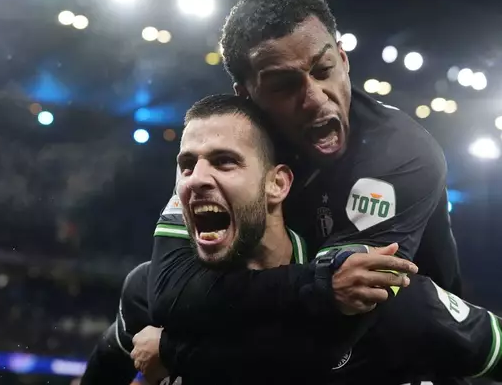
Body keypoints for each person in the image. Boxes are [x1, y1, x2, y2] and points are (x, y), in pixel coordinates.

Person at [147, 0, 462, 383]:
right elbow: (168, 291)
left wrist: (174, 351)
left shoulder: (400, 157)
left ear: (343, 60)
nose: (314, 99)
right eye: (283, 85)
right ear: (248, 95)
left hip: (395, 356)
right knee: (134, 292)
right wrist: (315, 284)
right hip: (280, 325)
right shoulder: (228, 148)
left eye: (323, 69)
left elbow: (333, 339)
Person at [84, 95, 502, 385]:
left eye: (225, 162)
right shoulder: (148, 291)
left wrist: (177, 353)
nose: (196, 180)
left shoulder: (384, 301)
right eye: (187, 165)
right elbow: (105, 367)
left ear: (277, 184)